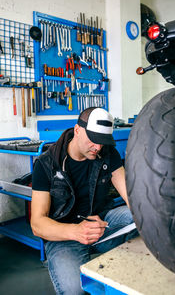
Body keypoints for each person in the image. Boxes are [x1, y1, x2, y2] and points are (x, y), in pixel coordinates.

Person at [31, 107, 138, 295]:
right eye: (93, 140)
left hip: (102, 225)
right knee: (74, 290)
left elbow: (131, 195)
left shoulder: (107, 153)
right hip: (64, 237)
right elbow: (37, 224)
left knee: (140, 216)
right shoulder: (45, 164)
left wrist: (146, 214)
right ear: (77, 130)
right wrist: (76, 231)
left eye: (102, 143)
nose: (97, 148)